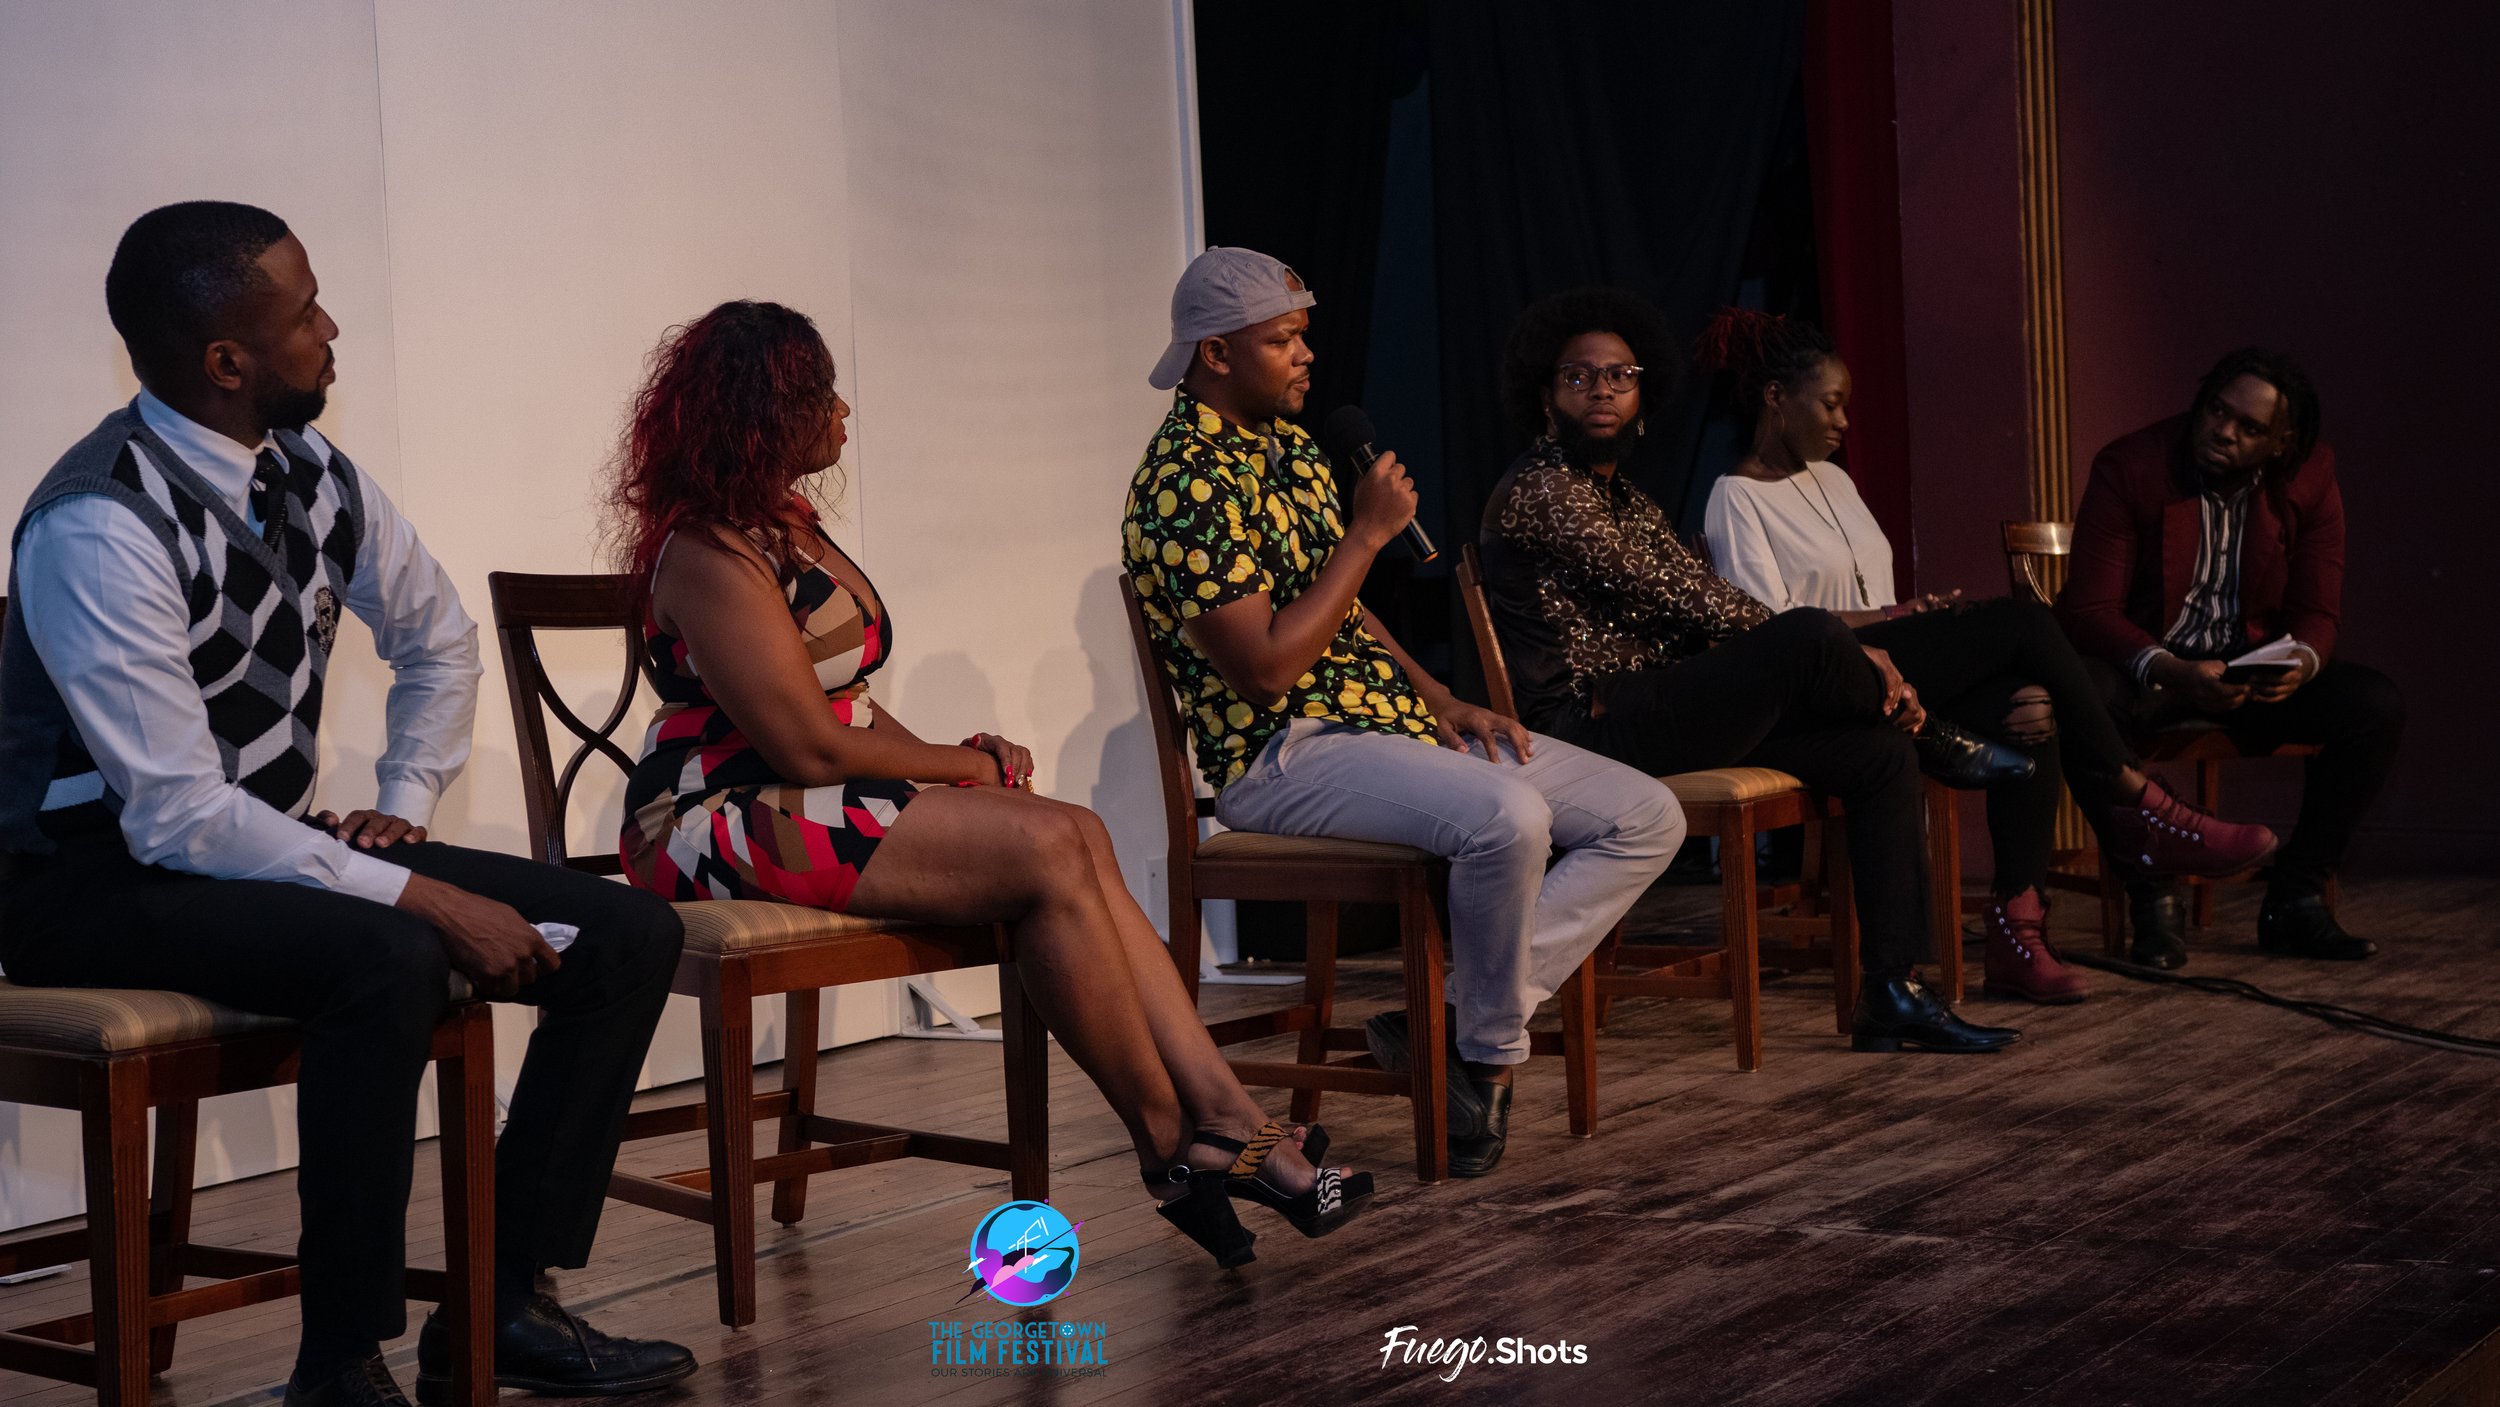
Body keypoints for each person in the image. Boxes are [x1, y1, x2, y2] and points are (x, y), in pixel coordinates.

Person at [0, 203, 694, 1407]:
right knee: (387, 956)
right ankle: (338, 1363)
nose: (331, 330)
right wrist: (424, 895)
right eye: (305, 311)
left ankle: (501, 1304)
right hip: (81, 879)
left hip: (231, 851)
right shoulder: (98, 522)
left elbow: (439, 639)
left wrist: (404, 802)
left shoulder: (313, 473)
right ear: (227, 361)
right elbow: (172, 816)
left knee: (627, 933)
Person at [609, 299, 1368, 1268]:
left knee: (1073, 833)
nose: (844, 415)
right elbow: (806, 747)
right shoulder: (709, 551)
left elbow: (847, 707)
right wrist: (959, 768)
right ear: (765, 412)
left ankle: (1207, 1131)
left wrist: (946, 760)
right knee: (1047, 847)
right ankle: (1194, 1139)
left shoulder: (786, 526)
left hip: (798, 799)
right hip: (707, 821)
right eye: (821, 396)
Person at [1479, 290, 2274, 1051]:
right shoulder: (1544, 490)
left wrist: (1848, 657)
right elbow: (1694, 601)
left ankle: (1894, 990)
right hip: (1594, 726)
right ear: (1546, 397)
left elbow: (1705, 607)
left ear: (1643, 395)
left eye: (1621, 375)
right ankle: (2004, 755)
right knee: (1819, 634)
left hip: (1675, 709)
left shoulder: (1629, 500)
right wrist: (1845, 647)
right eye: (1579, 376)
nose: (1602, 389)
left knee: (1879, 753)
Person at [1122, 248, 1683, 1176]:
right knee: (1510, 817)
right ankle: (1488, 1065)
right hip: (1284, 752)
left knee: (1645, 813)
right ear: (1215, 355)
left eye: (1304, 335)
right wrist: (1369, 534)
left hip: (1386, 724)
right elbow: (1263, 669)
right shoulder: (1181, 484)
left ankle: (1460, 1019)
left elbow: (1345, 606)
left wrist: (1439, 694)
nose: (1305, 356)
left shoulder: (1291, 448)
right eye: (1281, 339)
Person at [1694, 306, 2280, 1002]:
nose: (1843, 421)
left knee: (2031, 707)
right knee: (2022, 622)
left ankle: (2017, 927)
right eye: (1830, 404)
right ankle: (2140, 800)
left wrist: (1914, 618)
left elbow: (1871, 593)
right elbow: (1775, 632)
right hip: (1817, 688)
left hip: (1887, 677)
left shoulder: (1836, 481)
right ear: (1774, 398)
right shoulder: (1734, 497)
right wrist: (1897, 616)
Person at [2058, 348, 2404, 966]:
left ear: (2281, 443)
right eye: (2218, 411)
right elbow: (2088, 613)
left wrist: (2298, 662)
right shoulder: (2131, 466)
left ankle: (2295, 901)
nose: (2223, 431)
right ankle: (2152, 898)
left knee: (2373, 705)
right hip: (2151, 667)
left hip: (2243, 671)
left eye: (2249, 428)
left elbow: (2317, 615)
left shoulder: (2310, 477)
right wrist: (2171, 669)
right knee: (2082, 697)